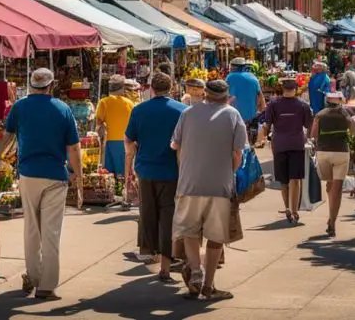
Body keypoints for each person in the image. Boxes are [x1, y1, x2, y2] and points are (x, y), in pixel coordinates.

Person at [5, 68, 82, 300]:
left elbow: (9, 136)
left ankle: (33, 275)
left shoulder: (20, 107)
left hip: (28, 173)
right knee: (51, 231)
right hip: (55, 174)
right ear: (51, 84)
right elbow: (74, 148)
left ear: (31, 84)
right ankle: (46, 285)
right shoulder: (62, 108)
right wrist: (78, 176)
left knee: (31, 228)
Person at [170, 79, 247, 301]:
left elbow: (175, 145)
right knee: (216, 237)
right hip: (220, 186)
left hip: (189, 183)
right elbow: (237, 154)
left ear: (205, 94)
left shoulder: (187, 113)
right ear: (226, 96)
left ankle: (195, 271)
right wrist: (228, 173)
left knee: (190, 231)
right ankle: (208, 285)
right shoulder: (233, 115)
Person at [125, 73, 186, 284]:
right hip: (172, 171)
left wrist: (130, 166)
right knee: (169, 218)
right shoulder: (182, 111)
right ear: (171, 87)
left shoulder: (139, 110)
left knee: (148, 213)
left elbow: (129, 140)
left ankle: (148, 253)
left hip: (146, 170)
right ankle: (165, 268)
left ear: (151, 88)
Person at [259, 78, 313, 224]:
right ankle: (294, 211)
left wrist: (262, 139)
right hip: (297, 145)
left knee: (284, 180)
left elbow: (267, 125)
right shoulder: (303, 105)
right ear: (295, 89)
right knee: (295, 179)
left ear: (282, 89)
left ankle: (288, 208)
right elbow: (308, 125)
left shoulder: (273, 105)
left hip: (279, 145)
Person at [312, 91, 355, 237]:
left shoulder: (320, 115)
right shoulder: (346, 114)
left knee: (329, 184)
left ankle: (331, 215)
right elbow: (354, 130)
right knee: (337, 189)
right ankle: (332, 221)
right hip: (342, 152)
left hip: (324, 152)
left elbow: (314, 134)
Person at [96, 74, 136, 178]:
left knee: (109, 174)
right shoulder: (130, 103)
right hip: (126, 141)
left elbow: (98, 124)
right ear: (122, 88)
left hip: (110, 141)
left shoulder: (104, 102)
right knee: (124, 174)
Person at [227, 57, 265, 144]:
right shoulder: (253, 77)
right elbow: (260, 95)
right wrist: (262, 108)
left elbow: (225, 93)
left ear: (233, 67)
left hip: (235, 116)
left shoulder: (230, 77)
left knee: (236, 144)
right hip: (251, 115)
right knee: (249, 143)